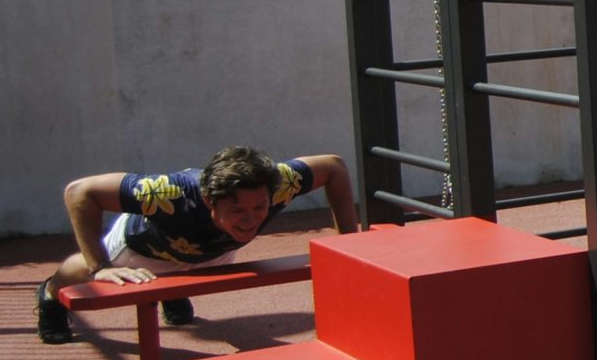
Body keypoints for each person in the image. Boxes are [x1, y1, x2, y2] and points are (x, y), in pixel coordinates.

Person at [35, 146, 360, 344]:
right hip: (143, 250)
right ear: (209, 201)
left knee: (205, 257)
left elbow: (333, 166)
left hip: (212, 250)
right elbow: (79, 191)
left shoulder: (276, 184)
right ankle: (49, 295)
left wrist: (349, 243)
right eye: (237, 210)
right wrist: (100, 266)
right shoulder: (166, 192)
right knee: (84, 269)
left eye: (258, 208)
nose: (251, 219)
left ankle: (174, 292)